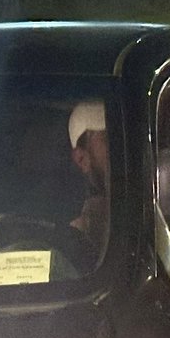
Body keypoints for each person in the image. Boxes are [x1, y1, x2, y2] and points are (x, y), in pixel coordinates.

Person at [68, 100, 110, 253]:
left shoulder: (149, 216)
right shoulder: (74, 241)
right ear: (82, 159)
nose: (125, 149)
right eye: (110, 139)